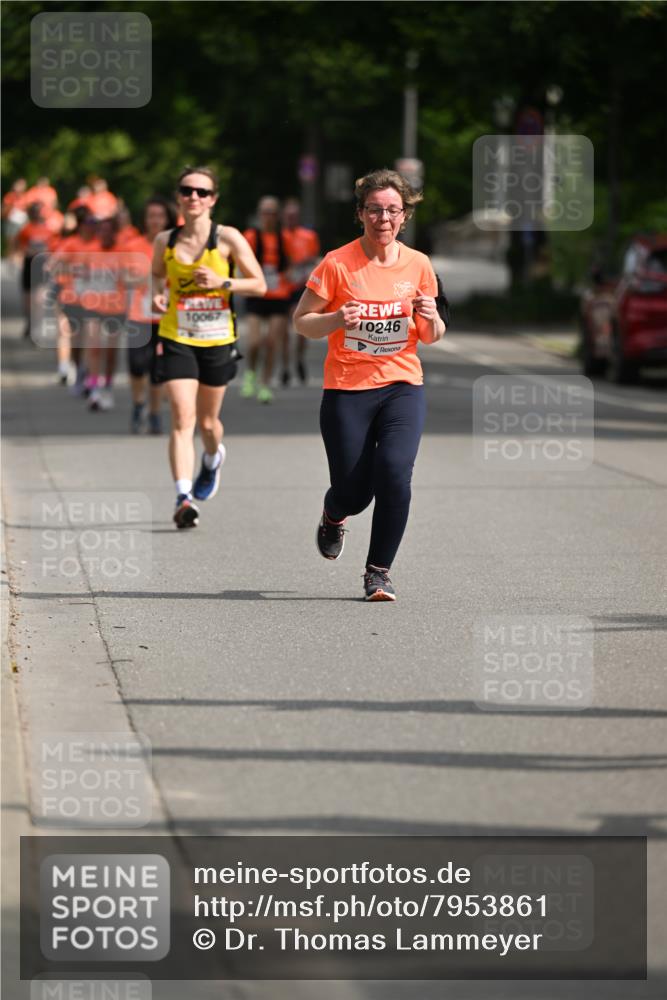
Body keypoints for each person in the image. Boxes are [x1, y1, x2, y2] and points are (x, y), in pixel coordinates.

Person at [294, 168, 446, 601]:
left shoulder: (419, 265)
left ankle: (378, 572)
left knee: (395, 475)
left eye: (393, 211)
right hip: (347, 388)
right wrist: (337, 318)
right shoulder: (337, 264)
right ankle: (333, 514)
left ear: (404, 216)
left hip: (402, 385)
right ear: (361, 214)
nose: (384, 219)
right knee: (355, 492)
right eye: (375, 210)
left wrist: (432, 318)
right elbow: (302, 323)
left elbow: (430, 335)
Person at [151, 166, 266, 528]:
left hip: (217, 339)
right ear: (178, 197)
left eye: (202, 192)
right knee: (181, 417)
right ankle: (183, 497)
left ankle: (213, 457)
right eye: (187, 191)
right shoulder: (165, 241)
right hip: (177, 337)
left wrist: (223, 281)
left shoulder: (228, 238)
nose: (194, 198)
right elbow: (157, 275)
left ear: (213, 199)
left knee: (207, 423)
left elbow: (260, 284)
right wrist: (158, 295)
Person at [123, 196, 178, 434]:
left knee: (158, 369)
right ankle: (138, 404)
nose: (155, 220)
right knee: (137, 365)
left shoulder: (175, 245)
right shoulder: (132, 246)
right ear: (144, 220)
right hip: (138, 315)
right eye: (151, 216)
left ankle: (155, 414)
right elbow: (122, 278)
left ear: (166, 219)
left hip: (165, 317)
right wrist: (148, 277)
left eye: (159, 216)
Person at [241, 196, 292, 403]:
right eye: (264, 212)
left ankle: (265, 383)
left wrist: (286, 275)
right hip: (257, 294)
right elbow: (242, 260)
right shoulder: (251, 236)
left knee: (271, 342)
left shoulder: (284, 237)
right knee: (254, 342)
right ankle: (250, 374)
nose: (268, 217)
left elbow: (290, 262)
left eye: (272, 212)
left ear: (277, 216)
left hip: (279, 295)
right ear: (259, 214)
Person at [282, 198, 320, 385]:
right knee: (284, 331)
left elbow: (313, 259)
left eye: (294, 215)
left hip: (302, 286)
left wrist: (304, 266)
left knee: (300, 329)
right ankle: (286, 366)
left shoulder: (308, 236)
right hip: (284, 287)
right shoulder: (280, 236)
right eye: (288, 215)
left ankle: (298, 360)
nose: (291, 218)